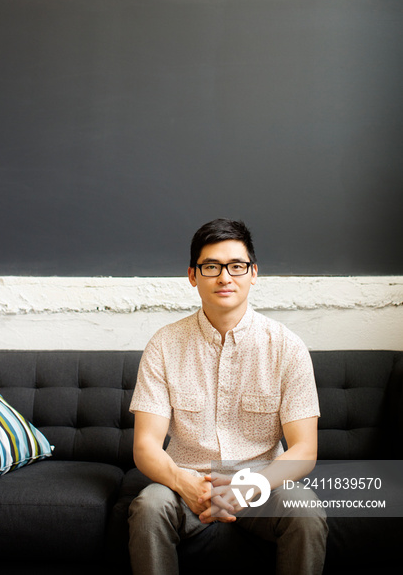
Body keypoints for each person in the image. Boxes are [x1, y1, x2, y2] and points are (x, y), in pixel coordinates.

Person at [128, 218, 328, 575]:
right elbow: (145, 446)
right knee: (149, 506)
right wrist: (183, 484)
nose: (225, 277)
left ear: (253, 273)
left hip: (261, 483)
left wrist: (250, 485)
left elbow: (304, 450)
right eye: (211, 267)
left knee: (306, 510)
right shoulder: (164, 344)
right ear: (193, 275)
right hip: (187, 483)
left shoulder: (287, 347)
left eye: (236, 266)